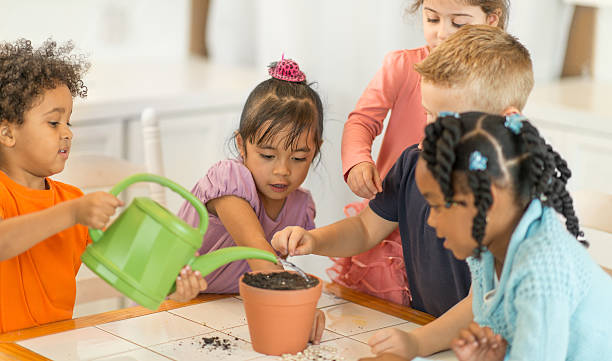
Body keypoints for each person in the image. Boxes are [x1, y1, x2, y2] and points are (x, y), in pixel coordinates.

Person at [273, 25, 533, 359]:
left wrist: (417, 343)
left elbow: (482, 302)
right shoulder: (414, 161)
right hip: (430, 330)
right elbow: (366, 228)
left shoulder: (509, 194)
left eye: (446, 118)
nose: (430, 127)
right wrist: (315, 241)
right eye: (428, 112)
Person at [0, 39, 204, 333]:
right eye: (54, 123)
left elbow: (134, 269)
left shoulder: (72, 201)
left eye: (69, 122)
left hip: (56, 347)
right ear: (7, 132)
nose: (68, 133)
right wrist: (72, 214)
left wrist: (174, 287)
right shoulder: (66, 207)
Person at [333, 0, 510, 306]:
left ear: (490, 20)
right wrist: (358, 160)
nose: (442, 34)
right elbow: (362, 120)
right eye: (432, 19)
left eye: (458, 23)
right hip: (388, 222)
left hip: (446, 235)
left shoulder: (494, 84)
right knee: (380, 323)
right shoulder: (402, 66)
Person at [416, 111, 612, 361]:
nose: (431, 220)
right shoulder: (486, 250)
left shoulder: (540, 271)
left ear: (487, 202)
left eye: (438, 205)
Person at [177, 56, 325, 343]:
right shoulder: (228, 182)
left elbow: (274, 273)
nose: (282, 170)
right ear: (241, 145)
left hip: (229, 316)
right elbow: (259, 254)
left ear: (315, 151)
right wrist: (298, 308)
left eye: (298, 158)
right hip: (174, 306)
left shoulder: (300, 207)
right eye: (267, 156)